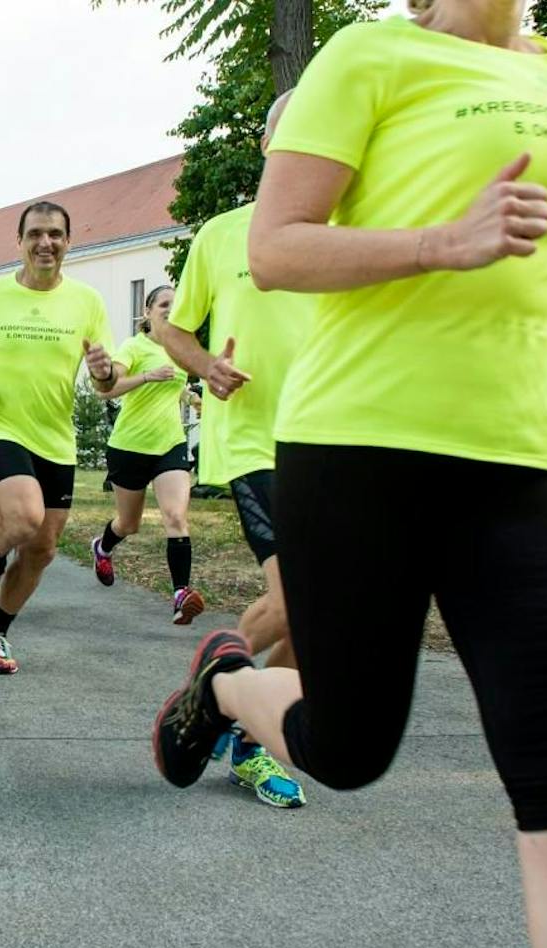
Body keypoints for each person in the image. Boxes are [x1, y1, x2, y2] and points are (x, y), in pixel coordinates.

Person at [150, 4, 547, 948]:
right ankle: (223, 684)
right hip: (361, 448)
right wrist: (441, 242)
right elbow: (276, 249)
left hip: (530, 455)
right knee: (344, 747)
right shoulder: (370, 52)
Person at [156, 89, 310, 809]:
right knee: (297, 598)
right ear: (267, 145)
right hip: (253, 438)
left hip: (335, 438)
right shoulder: (224, 234)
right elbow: (175, 331)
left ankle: (237, 720)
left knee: (325, 617)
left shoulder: (353, 225)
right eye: (293, 129)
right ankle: (216, 695)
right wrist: (205, 365)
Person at [0, 201, 115, 675]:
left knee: (42, 549)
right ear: (19, 242)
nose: (46, 243)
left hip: (56, 437)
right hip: (1, 426)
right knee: (22, 516)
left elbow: (106, 382)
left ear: (67, 241)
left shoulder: (87, 302)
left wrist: (103, 373)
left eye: (55, 234)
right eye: (36, 234)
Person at [91, 284, 207, 625]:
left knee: (175, 517)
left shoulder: (182, 349)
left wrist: (191, 398)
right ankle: (103, 547)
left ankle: (180, 594)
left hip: (169, 445)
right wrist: (147, 376)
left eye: (177, 304)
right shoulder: (133, 346)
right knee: (129, 523)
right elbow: (107, 390)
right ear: (148, 312)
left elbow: (174, 385)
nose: (171, 309)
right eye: (164, 304)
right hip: (129, 447)